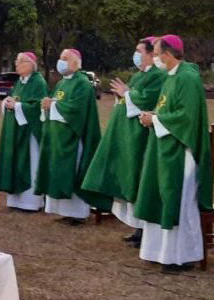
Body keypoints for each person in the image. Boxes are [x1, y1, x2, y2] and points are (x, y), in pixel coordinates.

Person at [134, 35, 212, 273]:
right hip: (166, 146)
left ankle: (182, 257)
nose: (155, 58)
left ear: (167, 54)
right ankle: (162, 253)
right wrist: (152, 116)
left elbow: (186, 116)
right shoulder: (171, 77)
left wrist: (155, 118)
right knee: (163, 198)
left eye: (156, 54)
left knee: (179, 202)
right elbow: (166, 108)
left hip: (181, 150)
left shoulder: (187, 78)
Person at [82, 37, 166, 247]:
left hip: (142, 137)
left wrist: (127, 94)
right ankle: (138, 228)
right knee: (131, 180)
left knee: (138, 180)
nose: (136, 55)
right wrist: (124, 96)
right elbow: (129, 98)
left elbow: (147, 100)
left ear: (150, 53)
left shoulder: (158, 76)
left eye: (139, 51)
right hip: (128, 137)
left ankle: (144, 228)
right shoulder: (139, 75)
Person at [35, 48, 111, 225]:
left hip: (74, 136)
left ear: (76, 62)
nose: (60, 61)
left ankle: (78, 213)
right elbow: (58, 102)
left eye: (65, 58)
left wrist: (52, 105)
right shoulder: (62, 83)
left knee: (73, 171)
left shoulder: (82, 83)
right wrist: (47, 104)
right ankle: (64, 211)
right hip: (58, 136)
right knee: (59, 171)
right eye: (60, 58)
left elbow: (76, 109)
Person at [0, 52, 48, 212]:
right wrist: (7, 102)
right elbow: (13, 99)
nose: (16, 64)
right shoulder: (20, 82)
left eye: (20, 61)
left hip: (29, 133)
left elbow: (38, 107)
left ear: (31, 64)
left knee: (30, 163)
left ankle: (31, 202)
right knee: (16, 161)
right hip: (16, 130)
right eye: (16, 61)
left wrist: (17, 106)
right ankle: (16, 201)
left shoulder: (38, 82)